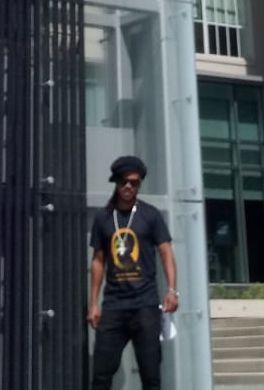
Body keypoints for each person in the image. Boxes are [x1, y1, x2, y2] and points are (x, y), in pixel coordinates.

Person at [88, 154, 179, 390]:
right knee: (101, 374)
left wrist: (171, 290)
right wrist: (93, 303)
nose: (129, 186)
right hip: (114, 306)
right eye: (124, 181)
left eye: (134, 182)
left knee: (151, 376)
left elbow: (166, 252)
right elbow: (98, 261)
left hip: (145, 305)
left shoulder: (150, 215)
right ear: (116, 182)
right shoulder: (103, 218)